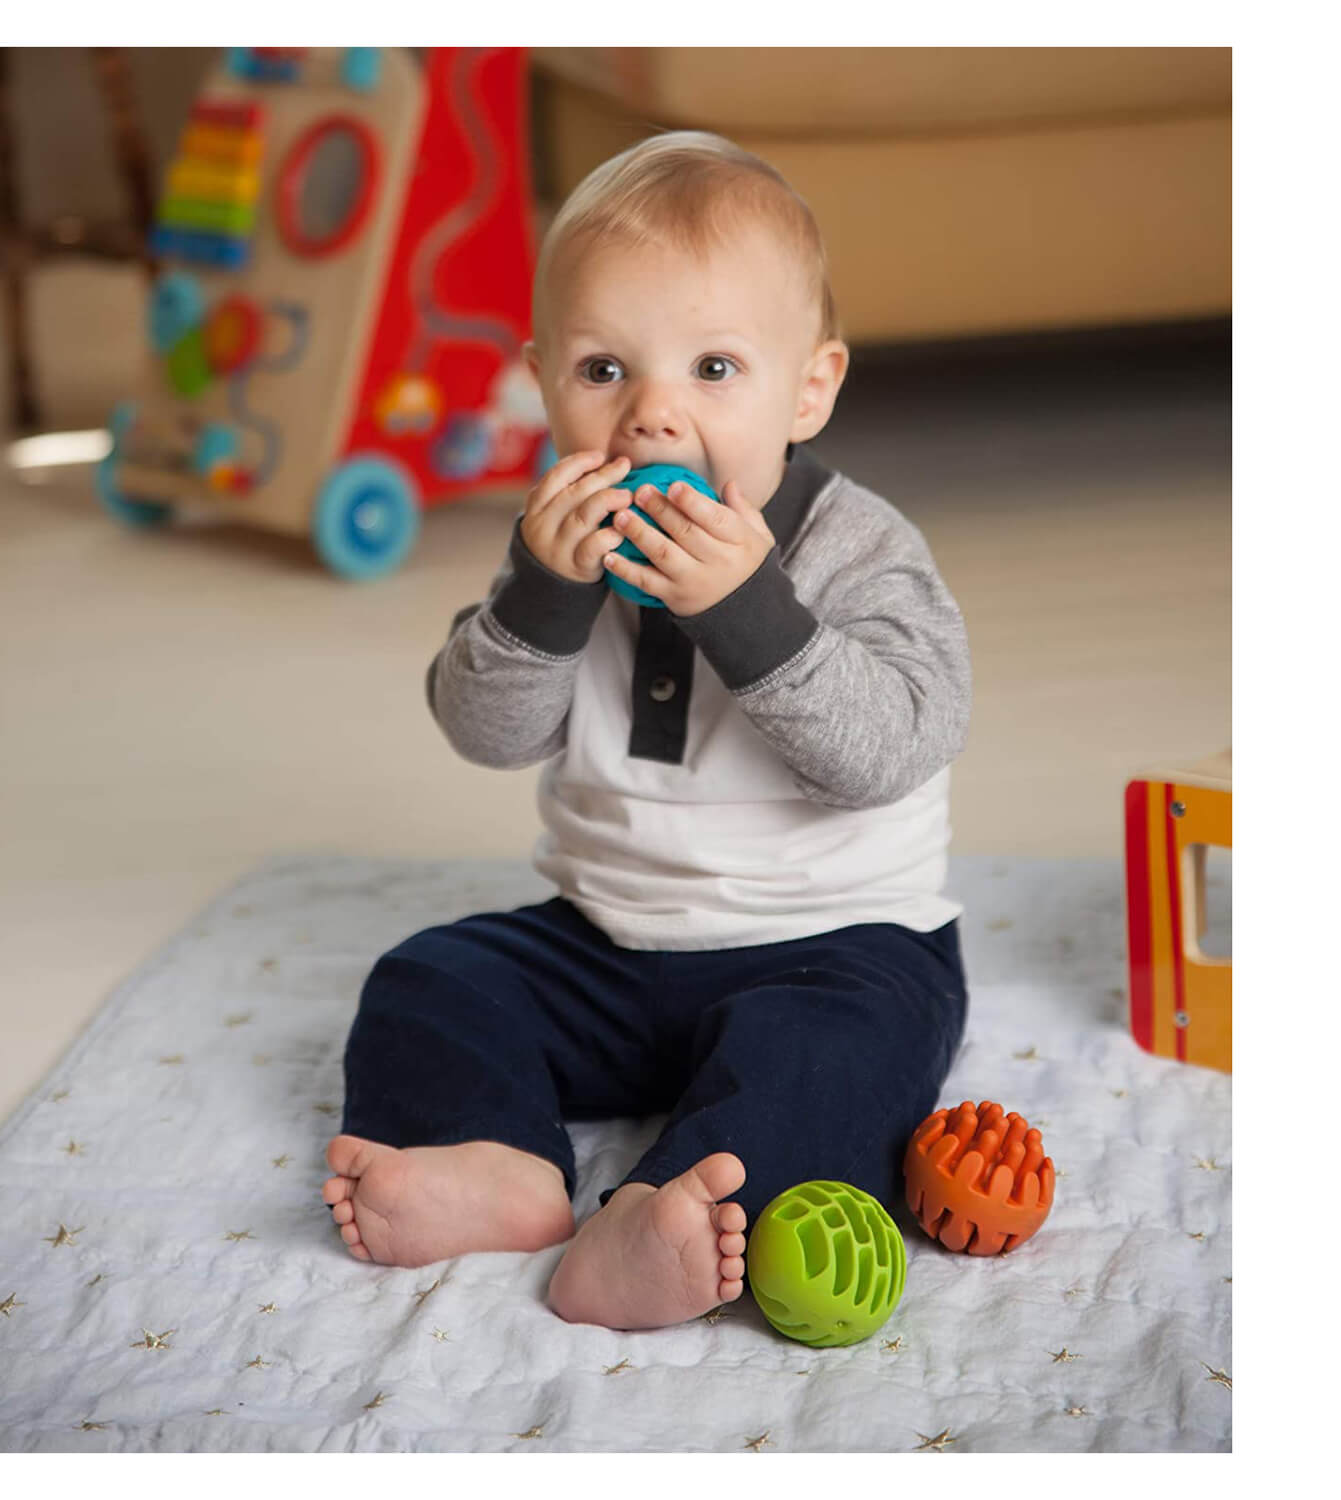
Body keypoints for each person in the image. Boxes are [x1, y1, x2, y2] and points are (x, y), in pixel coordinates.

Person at [321, 130, 971, 1331]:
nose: (652, 420)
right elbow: (484, 729)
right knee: (433, 980)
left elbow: (894, 746)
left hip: (837, 942)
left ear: (809, 387)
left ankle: (664, 1213)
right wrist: (542, 596)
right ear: (542, 382)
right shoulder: (558, 545)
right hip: (607, 942)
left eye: (715, 369)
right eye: (605, 371)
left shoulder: (859, 547)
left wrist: (749, 610)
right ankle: (507, 1168)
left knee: (834, 1073)